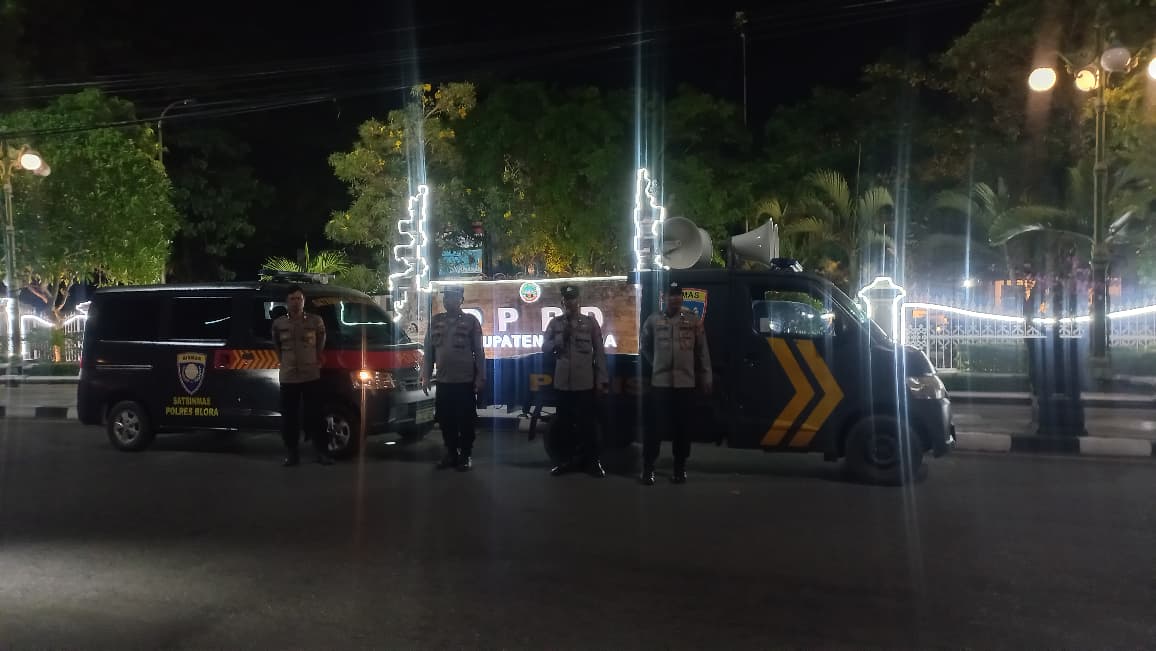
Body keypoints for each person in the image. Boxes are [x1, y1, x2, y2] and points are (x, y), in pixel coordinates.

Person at [639, 282, 712, 485]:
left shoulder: (692, 320)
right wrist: (656, 363)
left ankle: (679, 468)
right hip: (660, 383)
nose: (675, 299)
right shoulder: (654, 320)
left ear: (682, 298)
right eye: (671, 295)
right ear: (664, 298)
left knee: (683, 429)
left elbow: (702, 350)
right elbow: (644, 345)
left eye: (678, 295)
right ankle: (648, 468)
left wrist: (706, 376)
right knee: (654, 428)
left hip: (685, 383)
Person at [542, 284, 609, 477]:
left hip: (584, 383)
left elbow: (600, 353)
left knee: (588, 425)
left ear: (579, 300)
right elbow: (545, 347)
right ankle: (564, 461)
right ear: (562, 302)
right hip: (563, 384)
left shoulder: (590, 323)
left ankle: (593, 462)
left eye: (573, 299)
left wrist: (601, 380)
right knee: (564, 425)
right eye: (566, 299)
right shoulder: (555, 324)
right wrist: (559, 340)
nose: (569, 302)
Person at [421, 286, 486, 472]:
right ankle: (451, 453)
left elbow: (479, 352)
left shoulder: (471, 321)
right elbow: (428, 351)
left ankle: (465, 455)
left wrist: (481, 376)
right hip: (444, 381)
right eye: (446, 297)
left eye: (452, 297)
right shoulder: (436, 321)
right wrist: (425, 375)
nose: (448, 300)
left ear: (461, 300)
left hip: (464, 381)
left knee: (466, 421)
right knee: (445, 419)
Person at [271, 285, 332, 466]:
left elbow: (321, 340)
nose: (296, 302)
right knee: (289, 417)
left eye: (299, 298)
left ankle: (321, 452)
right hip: (288, 376)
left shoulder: (315, 321)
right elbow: (277, 346)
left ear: (304, 301)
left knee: (316, 415)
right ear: (287, 302)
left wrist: (315, 358)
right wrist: (285, 361)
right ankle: (292, 453)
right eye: (292, 299)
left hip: (310, 374)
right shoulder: (279, 324)